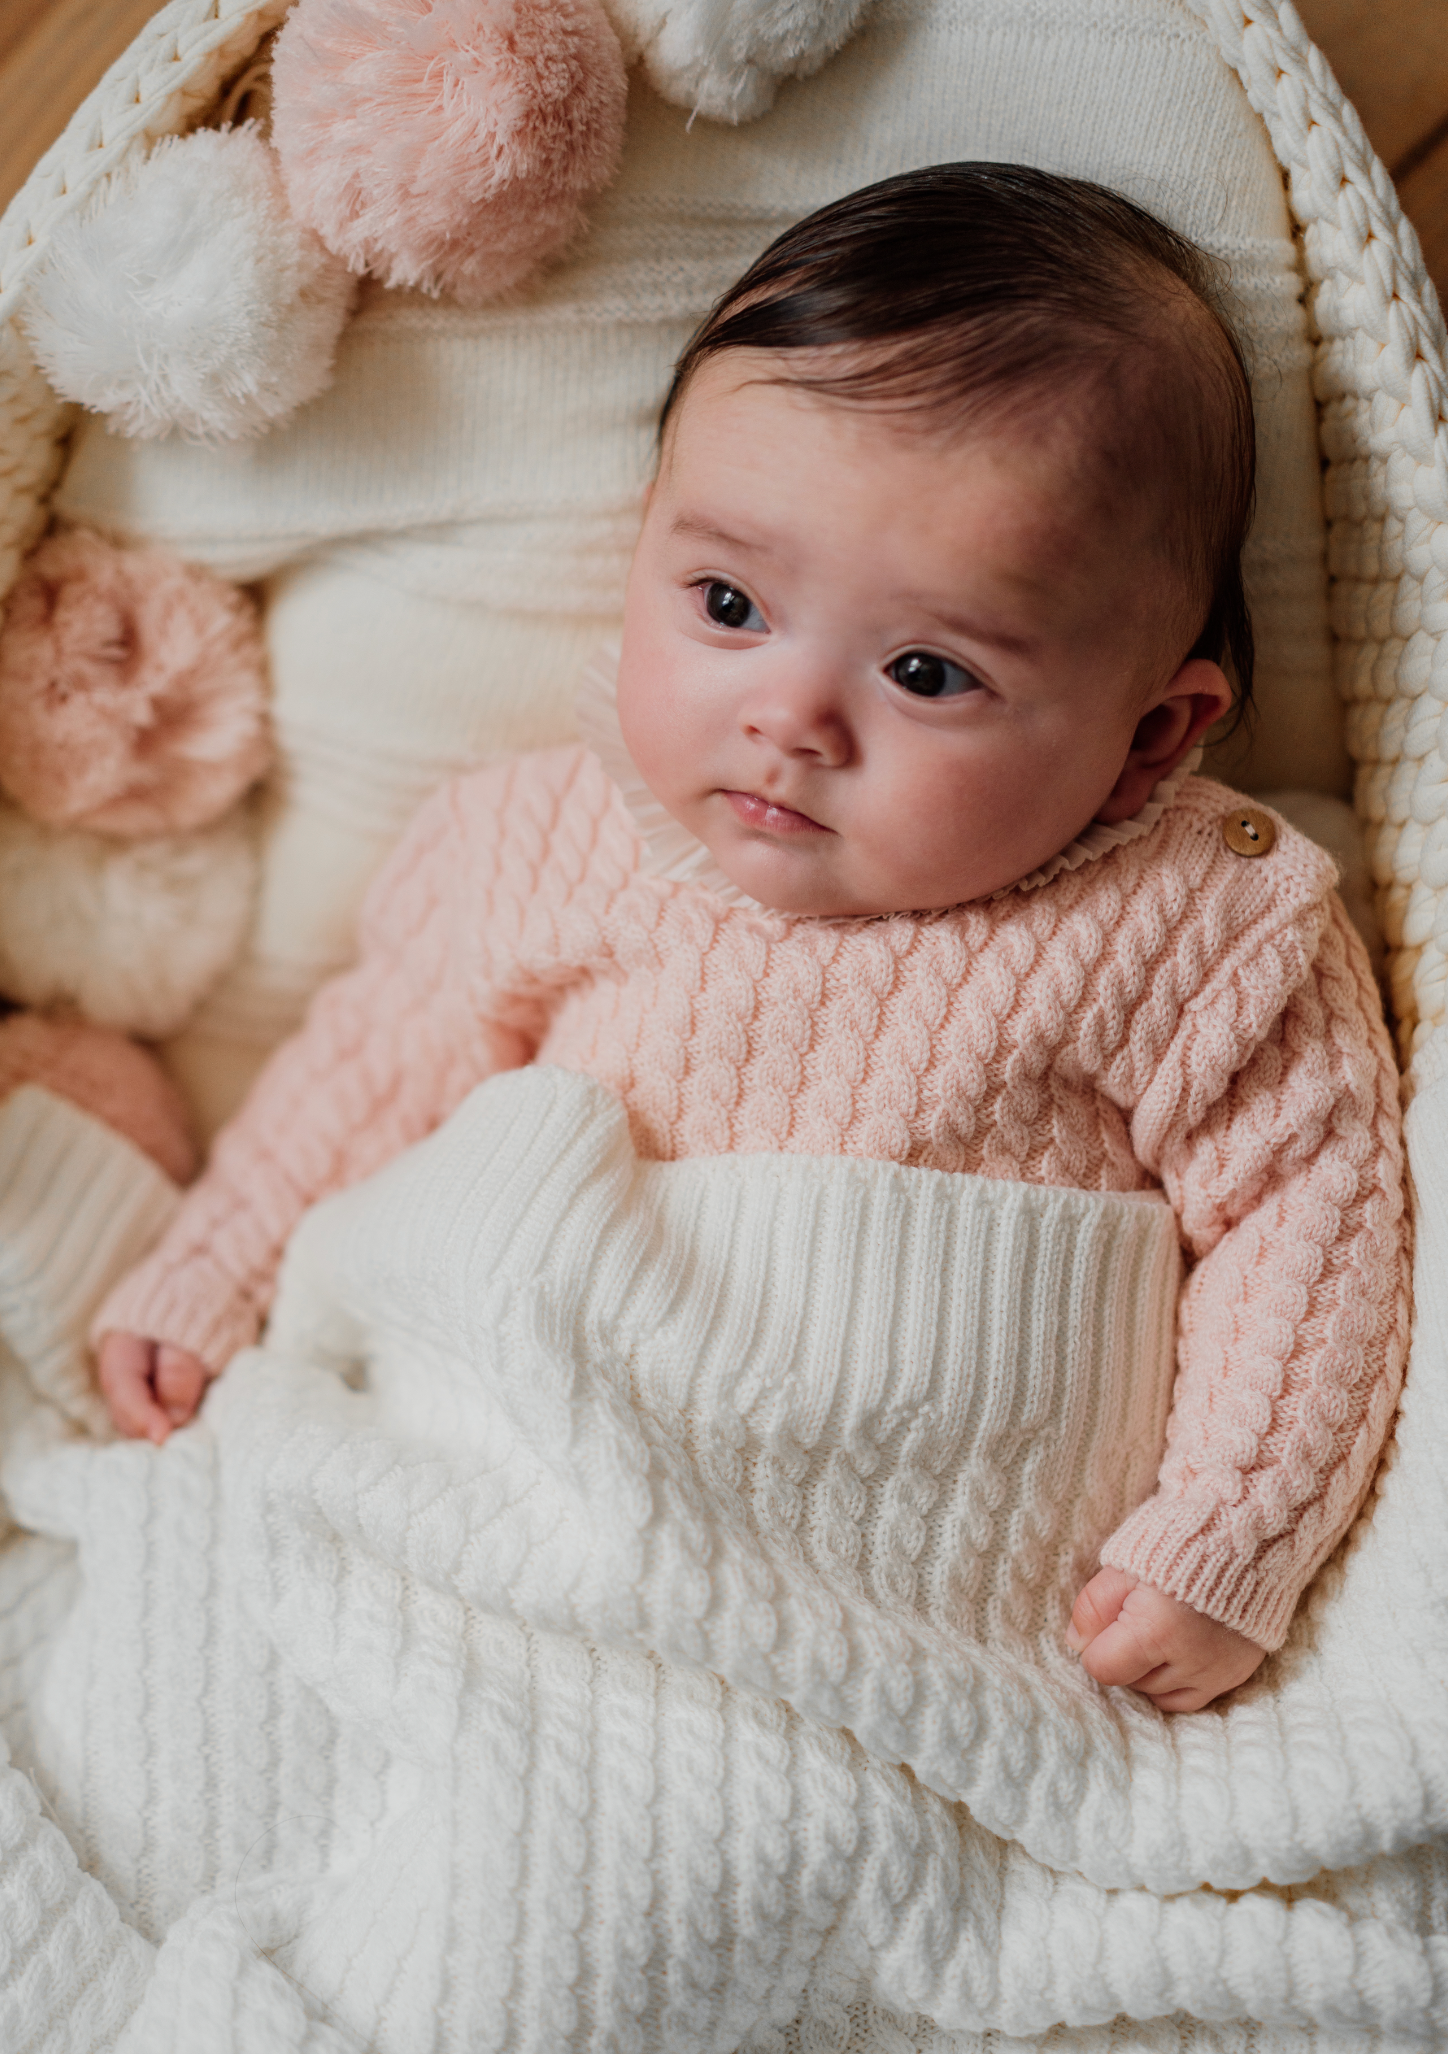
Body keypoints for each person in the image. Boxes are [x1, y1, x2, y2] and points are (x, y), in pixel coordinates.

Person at [93, 163, 1409, 1714]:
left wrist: (1229, 1528)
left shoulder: (1199, 929)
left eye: (926, 671)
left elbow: (1313, 1223)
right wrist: (214, 1270)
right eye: (726, 601)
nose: (788, 717)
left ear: (1147, 739)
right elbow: (378, 1063)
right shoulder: (542, 835)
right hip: (515, 1501)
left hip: (913, 1615)